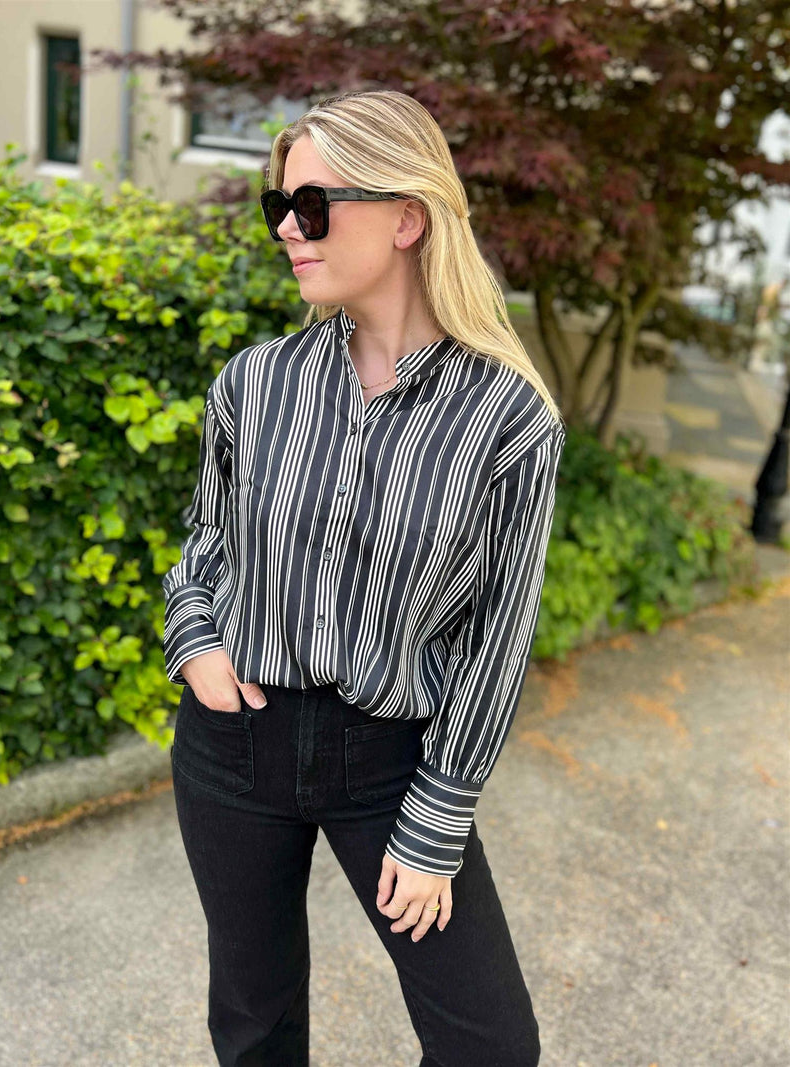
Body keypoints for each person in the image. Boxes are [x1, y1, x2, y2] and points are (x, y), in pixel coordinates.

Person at [163, 88, 566, 1067]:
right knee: (254, 1023)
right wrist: (197, 639)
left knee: (488, 1045)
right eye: (279, 207)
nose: (286, 229)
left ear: (406, 218)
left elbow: (496, 638)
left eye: (311, 205)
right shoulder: (251, 383)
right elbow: (207, 538)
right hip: (232, 742)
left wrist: (438, 818)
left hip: (388, 760)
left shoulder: (509, 419)